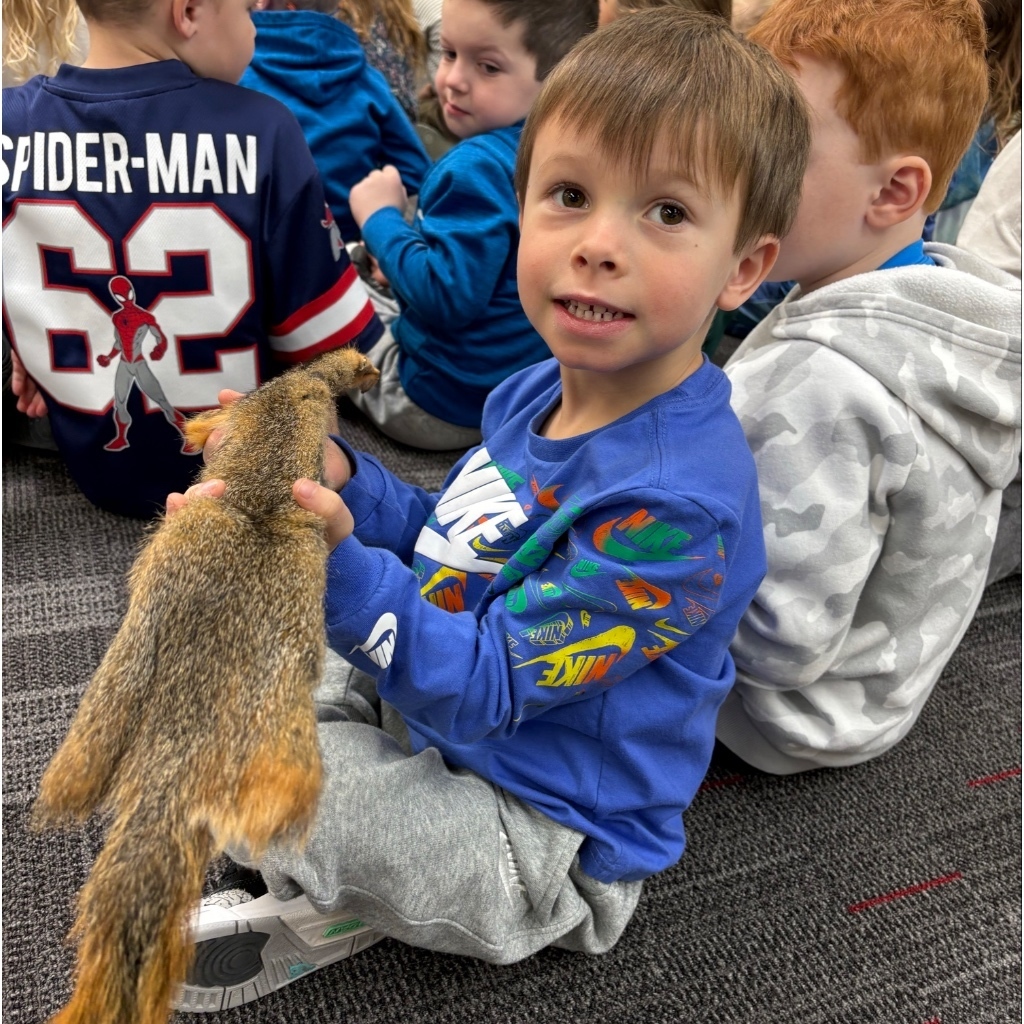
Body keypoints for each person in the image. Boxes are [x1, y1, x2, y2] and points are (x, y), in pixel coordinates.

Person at [171, 9, 810, 1011]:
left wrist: (337, 565)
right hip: (445, 698)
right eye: (567, 195)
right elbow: (455, 539)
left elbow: (492, 683)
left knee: (250, 756)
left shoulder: (676, 514)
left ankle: (319, 846)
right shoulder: (531, 387)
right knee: (255, 633)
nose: (598, 244)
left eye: (667, 213)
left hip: (536, 831)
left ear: (742, 269)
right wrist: (348, 479)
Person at [716, 0, 1022, 775]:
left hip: (783, 717)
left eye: (774, 153)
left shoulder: (822, 383)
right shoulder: (943, 309)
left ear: (891, 193)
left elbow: (778, 646)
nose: (729, 172)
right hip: (881, 688)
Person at [1, 0, 383, 518]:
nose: (254, 26)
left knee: (127, 401)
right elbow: (328, 346)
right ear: (189, 11)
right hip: (250, 484)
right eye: (248, 9)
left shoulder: (10, 126)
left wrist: (23, 338)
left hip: (94, 473)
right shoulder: (265, 128)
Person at [344, 0, 598, 451]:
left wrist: (379, 217)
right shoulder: (568, 156)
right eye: (449, 53)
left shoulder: (475, 168)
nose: (453, 80)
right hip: (518, 397)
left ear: (558, 80)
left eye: (488, 67)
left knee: (329, 289)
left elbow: (445, 299)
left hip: (434, 403)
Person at [240, 0, 432, 243]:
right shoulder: (367, 80)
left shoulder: (235, 75)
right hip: (348, 254)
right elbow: (418, 174)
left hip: (261, 253)